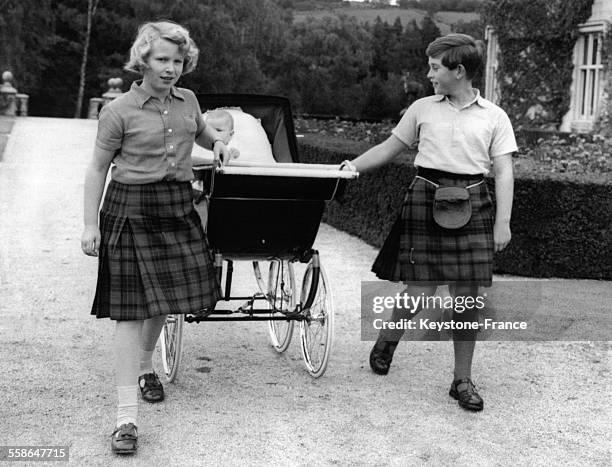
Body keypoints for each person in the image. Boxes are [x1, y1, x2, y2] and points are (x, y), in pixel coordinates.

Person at [342, 33, 516, 412]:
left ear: (459, 71)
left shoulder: (494, 116)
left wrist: (503, 222)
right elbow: (390, 148)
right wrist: (351, 166)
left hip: (473, 202)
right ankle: (389, 336)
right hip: (426, 197)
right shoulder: (422, 108)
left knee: (468, 298)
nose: (429, 73)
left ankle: (462, 379)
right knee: (420, 291)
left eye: (436, 67)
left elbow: (503, 171)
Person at [80, 21, 231, 454]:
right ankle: (126, 417)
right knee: (128, 312)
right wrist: (90, 225)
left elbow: (202, 130)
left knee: (168, 299)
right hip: (129, 208)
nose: (170, 69)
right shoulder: (119, 110)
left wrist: (218, 140)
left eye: (178, 61)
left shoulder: (188, 100)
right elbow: (96, 169)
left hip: (176, 206)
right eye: (162, 59)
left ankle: (147, 365)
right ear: (143, 59)